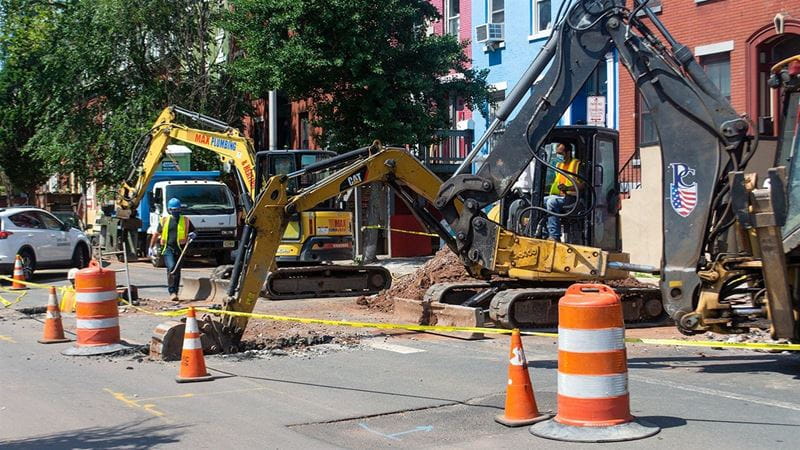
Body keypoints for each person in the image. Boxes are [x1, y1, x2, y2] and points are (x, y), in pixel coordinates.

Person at [149, 198, 196, 301]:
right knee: (172, 268)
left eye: (177, 209)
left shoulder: (185, 220)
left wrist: (193, 235)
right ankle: (172, 291)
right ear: (169, 209)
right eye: (173, 209)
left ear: (180, 209)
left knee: (177, 271)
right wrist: (151, 246)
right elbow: (156, 234)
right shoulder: (164, 220)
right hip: (167, 249)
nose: (175, 211)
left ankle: (175, 292)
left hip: (180, 249)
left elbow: (193, 231)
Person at [543, 143, 583, 241]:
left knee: (551, 202)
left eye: (561, 154)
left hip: (573, 198)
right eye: (557, 154)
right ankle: (543, 232)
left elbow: (583, 185)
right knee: (539, 201)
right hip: (559, 196)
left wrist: (568, 188)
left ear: (568, 153)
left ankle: (554, 235)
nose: (559, 156)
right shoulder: (559, 165)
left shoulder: (577, 164)